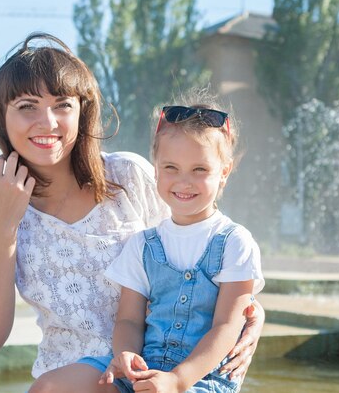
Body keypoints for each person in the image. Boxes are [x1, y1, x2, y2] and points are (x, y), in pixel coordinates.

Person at [0, 32, 264, 386]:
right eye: (27, 106)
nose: (47, 122)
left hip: (157, 371)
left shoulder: (127, 176)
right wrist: (4, 223)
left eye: (62, 104)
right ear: (1, 118)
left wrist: (249, 310)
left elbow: (196, 254)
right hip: (68, 381)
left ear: (82, 111)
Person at [29, 92, 264, 393]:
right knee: (49, 387)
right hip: (144, 367)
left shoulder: (235, 243)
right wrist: (125, 354)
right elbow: (128, 319)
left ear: (224, 172)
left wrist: (178, 380)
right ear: (155, 169)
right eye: (171, 168)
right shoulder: (143, 244)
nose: (184, 181)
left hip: (201, 379)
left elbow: (226, 327)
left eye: (200, 169)